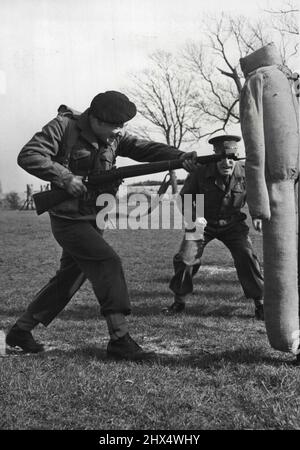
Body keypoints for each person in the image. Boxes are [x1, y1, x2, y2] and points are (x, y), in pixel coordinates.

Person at [6, 90, 197, 361]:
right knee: (108, 262)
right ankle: (119, 338)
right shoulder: (63, 127)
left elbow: (145, 148)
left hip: (94, 218)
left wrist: (180, 156)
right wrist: (64, 177)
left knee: (69, 277)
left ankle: (21, 331)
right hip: (68, 219)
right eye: (114, 126)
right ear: (94, 119)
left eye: (122, 126)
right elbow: (29, 155)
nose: (118, 132)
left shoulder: (115, 135)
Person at [164, 135, 264, 320]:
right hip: (203, 222)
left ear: (237, 157)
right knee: (186, 258)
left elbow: (256, 195)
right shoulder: (200, 171)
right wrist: (195, 219)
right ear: (214, 157)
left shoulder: (246, 172)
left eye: (231, 158)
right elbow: (185, 198)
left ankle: (260, 304)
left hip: (234, 223)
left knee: (247, 256)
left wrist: (257, 215)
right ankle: (179, 301)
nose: (226, 162)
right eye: (221, 158)